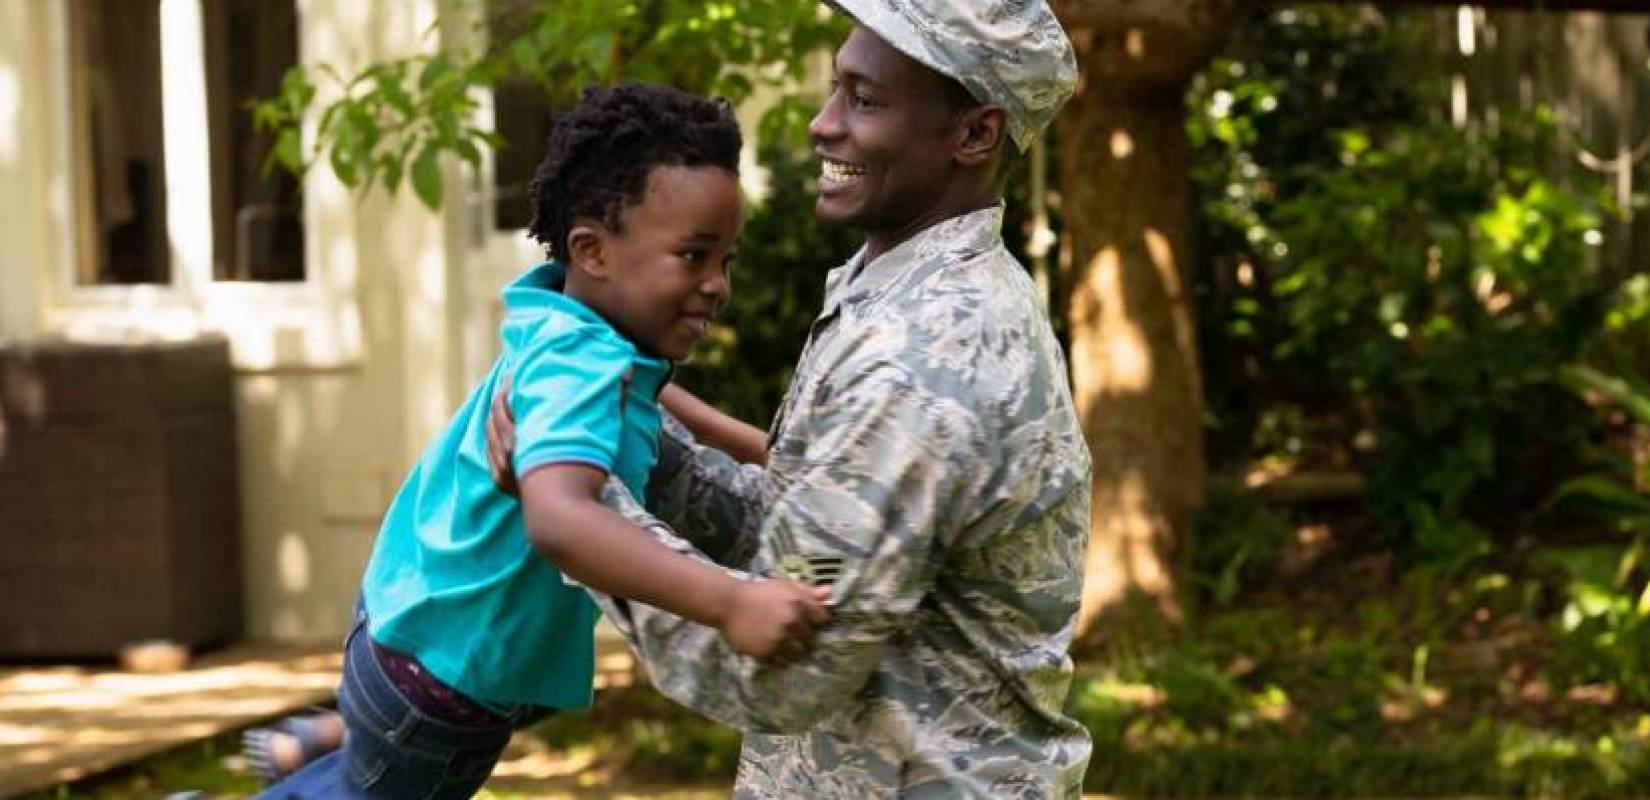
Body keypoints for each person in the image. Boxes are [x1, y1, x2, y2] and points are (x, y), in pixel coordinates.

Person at [489, 2, 1093, 795]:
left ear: (974, 135)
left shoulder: (924, 359)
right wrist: (624, 444)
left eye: (864, 101)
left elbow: (781, 676)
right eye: (835, 89)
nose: (821, 123)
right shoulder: (893, 299)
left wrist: (577, 504)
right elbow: (801, 547)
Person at [258, 83, 829, 799]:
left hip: (412, 629)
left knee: (467, 711)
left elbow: (650, 392)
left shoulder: (574, 325)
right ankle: (342, 750)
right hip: (437, 689)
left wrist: (754, 444)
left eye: (726, 260)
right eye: (694, 256)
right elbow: (560, 518)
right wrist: (731, 602)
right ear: (592, 249)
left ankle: (335, 739)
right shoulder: (578, 361)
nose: (717, 285)